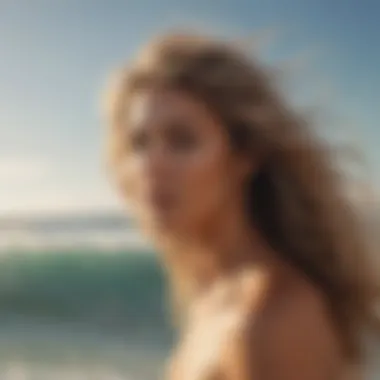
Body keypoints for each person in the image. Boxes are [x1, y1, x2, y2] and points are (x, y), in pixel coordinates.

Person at [104, 32, 380, 379]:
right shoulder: (214, 294)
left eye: (182, 141)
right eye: (139, 143)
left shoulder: (272, 320)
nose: (150, 166)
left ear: (244, 156)